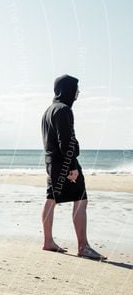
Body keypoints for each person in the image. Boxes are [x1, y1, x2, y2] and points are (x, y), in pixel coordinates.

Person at [40, 74, 106, 260]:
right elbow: (66, 142)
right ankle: (83, 246)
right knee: (81, 199)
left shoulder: (49, 110)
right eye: (75, 88)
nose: (78, 92)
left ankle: (48, 242)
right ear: (67, 90)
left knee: (51, 199)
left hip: (52, 163)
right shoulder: (63, 110)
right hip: (65, 163)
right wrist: (72, 166)